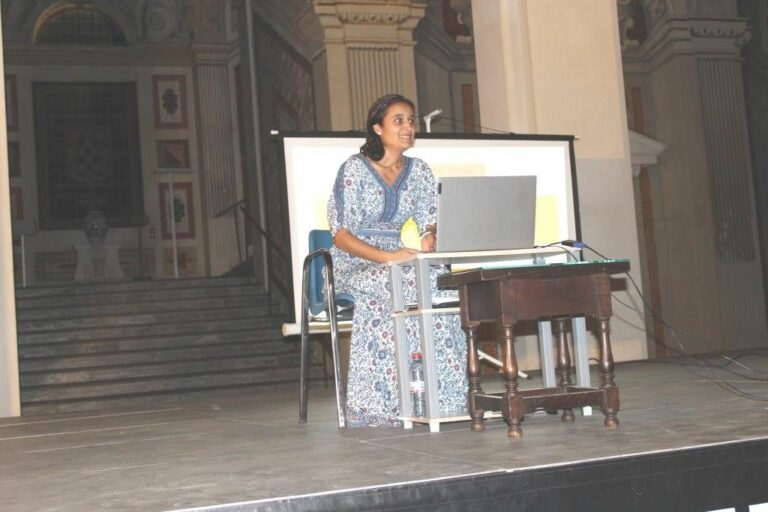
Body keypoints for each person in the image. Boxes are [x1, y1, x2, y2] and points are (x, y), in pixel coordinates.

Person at [327, 93, 467, 427]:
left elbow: (429, 220)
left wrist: (430, 235)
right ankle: (378, 407)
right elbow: (340, 235)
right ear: (377, 128)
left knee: (444, 283)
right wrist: (388, 257)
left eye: (411, 120)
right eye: (398, 120)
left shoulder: (419, 171)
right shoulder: (353, 169)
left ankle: (446, 397)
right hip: (356, 261)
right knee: (399, 282)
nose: (408, 127)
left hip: (402, 259)